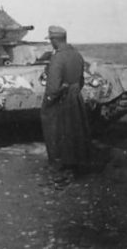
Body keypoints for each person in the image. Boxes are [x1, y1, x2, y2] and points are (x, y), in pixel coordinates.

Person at [40, 25, 91, 185]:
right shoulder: (77, 55)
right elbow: (81, 80)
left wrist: (48, 101)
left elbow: (53, 87)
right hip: (75, 99)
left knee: (55, 135)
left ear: (55, 40)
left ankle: (58, 172)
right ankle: (73, 168)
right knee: (73, 133)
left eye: (51, 41)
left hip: (60, 101)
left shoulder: (57, 58)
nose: (51, 44)